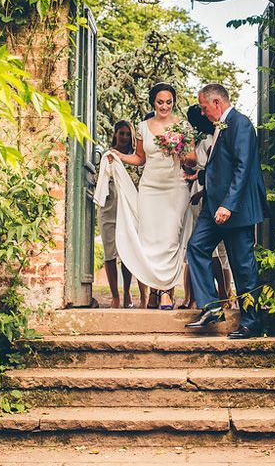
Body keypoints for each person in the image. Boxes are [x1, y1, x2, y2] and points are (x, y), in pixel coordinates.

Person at [184, 83, 268, 339]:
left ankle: (252, 323)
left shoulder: (240, 124)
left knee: (242, 266)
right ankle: (211, 308)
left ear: (217, 103)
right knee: (196, 248)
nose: (203, 112)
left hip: (235, 209)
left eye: (204, 107)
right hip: (214, 207)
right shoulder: (220, 128)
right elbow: (223, 166)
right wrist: (201, 174)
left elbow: (243, 167)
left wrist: (228, 205)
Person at [103, 83, 192, 310]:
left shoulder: (183, 125)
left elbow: (191, 158)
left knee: (170, 239)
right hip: (150, 188)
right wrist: (119, 156)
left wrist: (179, 149)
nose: (164, 106)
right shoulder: (143, 127)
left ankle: (166, 292)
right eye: (160, 102)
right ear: (153, 102)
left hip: (175, 187)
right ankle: (153, 290)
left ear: (174, 102)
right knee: (150, 241)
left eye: (169, 102)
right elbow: (140, 158)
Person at [179, 104, 234, 310]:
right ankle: (195, 298)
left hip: (212, 195)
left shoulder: (215, 139)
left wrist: (201, 190)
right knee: (195, 247)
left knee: (214, 251)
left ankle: (223, 294)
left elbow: (214, 171)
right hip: (199, 191)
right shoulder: (200, 141)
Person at [96, 120, 148, 308]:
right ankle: (115, 296)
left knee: (128, 252)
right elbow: (97, 180)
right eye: (121, 133)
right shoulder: (105, 155)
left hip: (131, 212)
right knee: (110, 253)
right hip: (109, 210)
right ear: (115, 134)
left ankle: (127, 292)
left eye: (128, 134)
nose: (124, 137)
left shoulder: (137, 159)